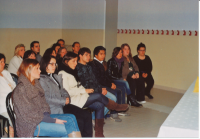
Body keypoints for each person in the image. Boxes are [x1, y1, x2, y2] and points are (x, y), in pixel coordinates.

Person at [58, 52, 129, 137]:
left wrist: (85, 90)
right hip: (73, 100)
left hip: (80, 96)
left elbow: (78, 86)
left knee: (100, 105)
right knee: (98, 96)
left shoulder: (72, 71)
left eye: (76, 61)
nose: (76, 63)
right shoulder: (62, 74)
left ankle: (99, 133)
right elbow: (67, 92)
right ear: (66, 61)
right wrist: (85, 91)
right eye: (73, 61)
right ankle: (115, 106)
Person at [13, 59, 81, 137]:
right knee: (67, 129)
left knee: (71, 117)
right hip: (30, 125)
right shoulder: (21, 89)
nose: (40, 71)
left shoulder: (35, 84)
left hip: (41, 118)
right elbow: (28, 116)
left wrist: (47, 115)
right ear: (29, 70)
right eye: (37, 68)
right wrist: (52, 120)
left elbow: (44, 103)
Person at [39, 55, 92, 137]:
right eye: (51, 64)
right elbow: (46, 97)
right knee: (79, 121)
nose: (54, 66)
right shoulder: (42, 79)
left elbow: (63, 90)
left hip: (63, 104)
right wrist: (63, 100)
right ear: (45, 64)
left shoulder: (55, 76)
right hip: (54, 107)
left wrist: (67, 98)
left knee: (87, 115)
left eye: (55, 64)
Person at [76, 47, 118, 123]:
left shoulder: (89, 66)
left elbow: (95, 80)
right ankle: (96, 118)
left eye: (89, 55)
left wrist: (101, 88)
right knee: (105, 101)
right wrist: (99, 90)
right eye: (86, 55)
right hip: (87, 91)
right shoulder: (78, 68)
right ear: (80, 56)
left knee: (113, 98)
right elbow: (85, 85)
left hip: (96, 89)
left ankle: (94, 118)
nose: (89, 57)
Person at [88, 46, 127, 119]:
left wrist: (112, 83)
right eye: (101, 54)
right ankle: (96, 117)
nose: (103, 55)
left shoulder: (102, 63)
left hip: (104, 84)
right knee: (113, 95)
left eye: (104, 54)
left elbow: (107, 76)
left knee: (119, 90)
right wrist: (109, 84)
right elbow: (98, 79)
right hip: (99, 87)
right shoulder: (93, 64)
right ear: (96, 55)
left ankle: (100, 116)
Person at [0, 53, 15, 137]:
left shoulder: (6, 73)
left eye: (4, 62)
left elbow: (14, 86)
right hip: (3, 107)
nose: (3, 64)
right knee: (13, 124)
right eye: (1, 62)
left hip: (14, 104)